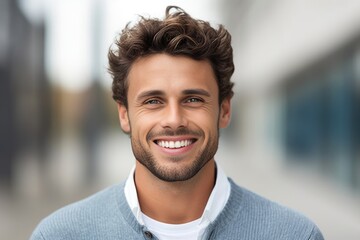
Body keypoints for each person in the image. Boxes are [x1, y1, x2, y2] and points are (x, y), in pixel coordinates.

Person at [31, 6, 324, 240]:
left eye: (193, 99)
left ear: (224, 110)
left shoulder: (295, 234)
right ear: (124, 114)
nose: (174, 121)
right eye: (153, 101)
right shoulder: (58, 235)